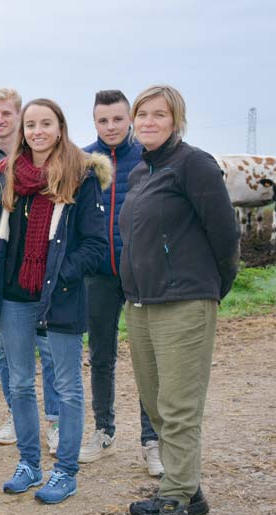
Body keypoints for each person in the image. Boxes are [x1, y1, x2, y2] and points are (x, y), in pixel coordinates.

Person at [120, 85, 239, 515]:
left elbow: (225, 234)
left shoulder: (194, 164)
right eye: (142, 114)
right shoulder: (140, 173)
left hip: (185, 302)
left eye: (158, 115)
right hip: (142, 303)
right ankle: (188, 487)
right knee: (154, 403)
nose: (148, 122)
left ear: (176, 120)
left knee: (179, 405)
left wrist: (210, 289)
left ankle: (175, 503)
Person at [0, 98, 108, 505]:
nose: (37, 131)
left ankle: (65, 471)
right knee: (18, 383)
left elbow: (95, 245)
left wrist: (59, 274)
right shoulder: (7, 175)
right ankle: (29, 464)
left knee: (66, 388)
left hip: (60, 296)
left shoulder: (80, 176)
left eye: (45, 123)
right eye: (30, 124)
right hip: (14, 297)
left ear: (60, 127)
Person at [0, 88, 61, 451]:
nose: (0, 120)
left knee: (48, 346)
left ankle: (55, 419)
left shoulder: (39, 156)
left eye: (6, 113)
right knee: (4, 349)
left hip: (40, 264)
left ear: (19, 116)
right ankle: (16, 414)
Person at [79, 91, 162, 474]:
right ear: (94, 122)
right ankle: (104, 431)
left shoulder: (147, 157)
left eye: (117, 119)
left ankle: (152, 439)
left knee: (147, 356)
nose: (110, 127)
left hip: (141, 271)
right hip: (98, 273)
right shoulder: (83, 162)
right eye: (102, 121)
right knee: (100, 355)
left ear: (129, 119)